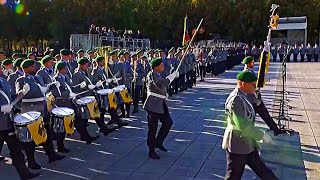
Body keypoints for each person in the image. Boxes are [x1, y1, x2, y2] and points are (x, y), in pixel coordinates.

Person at [223, 71, 278, 180]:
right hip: (237, 144)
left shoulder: (246, 95)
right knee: (233, 176)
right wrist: (262, 136)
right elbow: (242, 125)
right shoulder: (236, 99)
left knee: (263, 171)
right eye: (253, 84)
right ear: (243, 83)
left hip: (247, 143)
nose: (255, 86)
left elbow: (259, 107)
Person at [16, 59, 65, 169]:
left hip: (41, 111)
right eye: (32, 67)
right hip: (30, 113)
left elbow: (43, 89)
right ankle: (31, 162)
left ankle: (51, 155)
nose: (34, 68)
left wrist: (51, 85)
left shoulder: (37, 78)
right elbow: (18, 97)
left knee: (45, 134)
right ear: (25, 69)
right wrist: (22, 92)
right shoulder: (21, 80)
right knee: (31, 140)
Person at [0, 76, 40, 179]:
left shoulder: (3, 80)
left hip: (8, 123)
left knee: (17, 150)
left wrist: (21, 93)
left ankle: (24, 174)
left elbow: (11, 97)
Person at [143, 58, 178, 159]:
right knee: (152, 128)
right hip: (153, 104)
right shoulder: (152, 74)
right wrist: (172, 76)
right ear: (156, 67)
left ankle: (158, 142)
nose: (163, 66)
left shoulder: (157, 74)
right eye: (161, 65)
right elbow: (163, 83)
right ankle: (151, 150)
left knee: (168, 123)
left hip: (160, 103)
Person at [71, 57, 114, 136]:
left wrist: (94, 86)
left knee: (95, 114)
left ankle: (103, 130)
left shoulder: (85, 72)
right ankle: (87, 135)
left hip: (89, 97)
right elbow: (75, 88)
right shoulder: (77, 74)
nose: (87, 66)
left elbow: (89, 82)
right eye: (86, 65)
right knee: (84, 119)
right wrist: (83, 87)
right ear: (81, 65)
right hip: (84, 98)